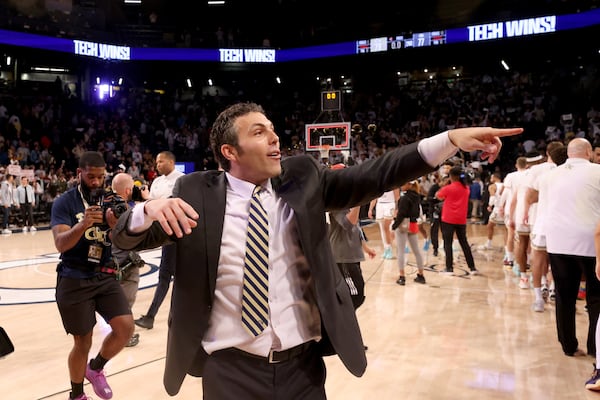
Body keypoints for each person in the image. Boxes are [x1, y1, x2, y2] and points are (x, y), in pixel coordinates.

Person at [112, 102, 521, 399]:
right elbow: (124, 240)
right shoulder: (194, 191)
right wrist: (147, 209)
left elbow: (374, 174)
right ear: (229, 152)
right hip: (229, 371)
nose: (274, 138)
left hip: (302, 370)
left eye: (272, 129)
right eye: (258, 132)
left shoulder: (303, 177)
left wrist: (447, 140)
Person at [50, 151, 135, 400]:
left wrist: (115, 227)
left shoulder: (111, 200)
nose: (96, 182)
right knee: (82, 343)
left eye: (101, 177)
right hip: (74, 276)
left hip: (104, 273)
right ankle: (76, 394)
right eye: (91, 176)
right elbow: (60, 244)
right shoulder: (65, 202)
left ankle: (95, 369)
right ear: (80, 174)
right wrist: (82, 225)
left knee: (125, 328)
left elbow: (125, 240)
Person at [538, 138, 600, 357]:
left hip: (558, 240)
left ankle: (568, 344)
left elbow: (544, 209)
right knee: (596, 297)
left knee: (564, 295)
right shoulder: (597, 172)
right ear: (588, 152)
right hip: (591, 240)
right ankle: (595, 347)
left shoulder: (548, 176)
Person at [134, 151, 184, 330]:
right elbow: (153, 205)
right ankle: (151, 316)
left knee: (168, 276)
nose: (158, 165)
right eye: (157, 162)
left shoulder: (182, 180)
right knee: (166, 275)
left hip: (178, 234)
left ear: (171, 162)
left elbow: (169, 204)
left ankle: (152, 316)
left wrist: (150, 199)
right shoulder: (156, 181)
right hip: (164, 232)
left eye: (161, 161)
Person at [110, 172, 148, 347]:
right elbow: (149, 231)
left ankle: (120, 332)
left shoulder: (106, 207)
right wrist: (146, 201)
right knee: (126, 301)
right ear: (127, 190)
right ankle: (122, 335)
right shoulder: (128, 211)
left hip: (110, 262)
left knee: (117, 300)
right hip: (126, 262)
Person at [435, 166, 478, 275]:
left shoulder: (448, 188)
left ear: (451, 176)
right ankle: (472, 267)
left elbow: (438, 196)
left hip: (448, 218)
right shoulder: (466, 189)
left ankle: (449, 268)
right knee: (464, 243)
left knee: (447, 244)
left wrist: (445, 184)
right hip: (461, 219)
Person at [391, 180, 426, 285]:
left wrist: (394, 226)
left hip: (403, 225)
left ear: (409, 185)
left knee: (400, 251)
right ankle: (421, 275)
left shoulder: (404, 198)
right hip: (413, 224)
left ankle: (402, 276)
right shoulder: (417, 196)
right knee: (417, 251)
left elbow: (401, 215)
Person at [368, 188, 399, 259]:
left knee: (388, 228)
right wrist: (370, 209)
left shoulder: (393, 181)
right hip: (380, 205)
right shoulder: (379, 182)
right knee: (382, 229)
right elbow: (374, 197)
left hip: (390, 204)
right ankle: (386, 248)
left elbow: (397, 197)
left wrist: (397, 208)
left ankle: (391, 247)